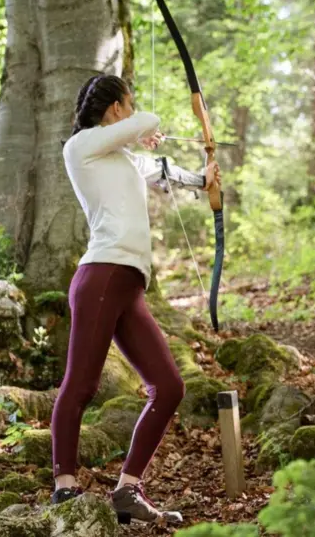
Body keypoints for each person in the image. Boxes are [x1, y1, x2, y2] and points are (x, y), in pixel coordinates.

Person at [49, 74, 220, 524]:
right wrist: (143, 126)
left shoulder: (119, 156)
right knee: (81, 384)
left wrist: (202, 179)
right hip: (102, 276)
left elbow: (157, 169)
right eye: (130, 103)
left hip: (129, 285)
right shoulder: (82, 147)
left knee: (169, 387)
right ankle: (64, 487)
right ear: (114, 108)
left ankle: (128, 490)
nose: (136, 108)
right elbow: (151, 120)